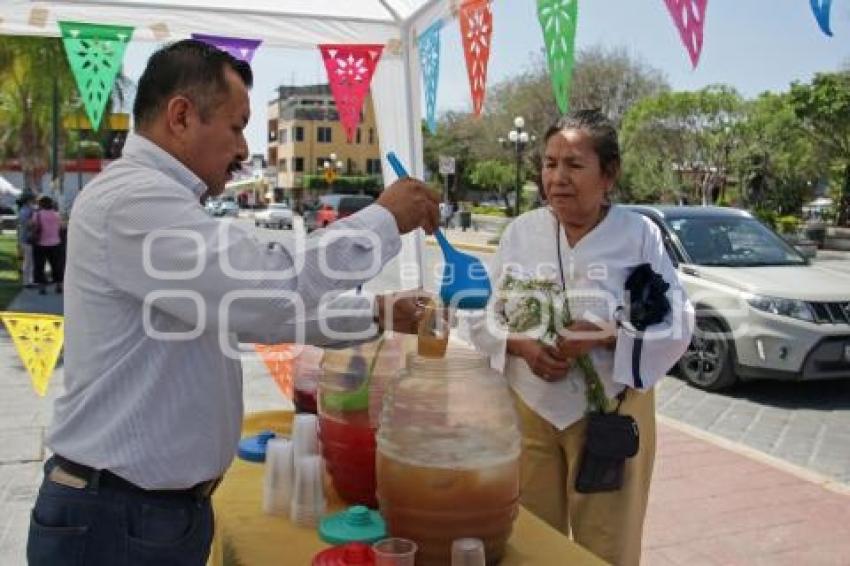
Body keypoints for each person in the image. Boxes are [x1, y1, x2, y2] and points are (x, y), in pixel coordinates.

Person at [27, 39, 439, 566]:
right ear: (181, 115)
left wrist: (378, 313)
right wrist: (383, 218)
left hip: (146, 513)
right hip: (117, 518)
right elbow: (267, 292)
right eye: (236, 125)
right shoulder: (135, 201)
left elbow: (246, 315)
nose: (244, 149)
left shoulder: (165, 201)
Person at [461, 110, 694, 566]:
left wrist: (609, 335)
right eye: (550, 164)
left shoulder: (638, 234)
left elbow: (678, 321)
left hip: (611, 408)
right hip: (529, 407)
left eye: (574, 165)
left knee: (607, 546)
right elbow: (479, 310)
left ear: (609, 174)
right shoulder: (520, 233)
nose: (558, 178)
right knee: (528, 536)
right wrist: (518, 345)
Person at [30, 195, 65, 295]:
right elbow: (62, 227)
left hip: (40, 243)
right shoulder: (56, 215)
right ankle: (59, 285)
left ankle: (42, 287)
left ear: (41, 204)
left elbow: (32, 226)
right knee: (56, 265)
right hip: (55, 243)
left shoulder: (37, 215)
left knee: (40, 266)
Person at [16, 193, 36, 287]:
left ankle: (29, 280)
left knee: (29, 261)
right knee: (28, 261)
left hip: (25, 238)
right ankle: (27, 281)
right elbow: (28, 224)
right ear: (28, 201)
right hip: (27, 238)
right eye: (33, 200)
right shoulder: (26, 211)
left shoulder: (24, 210)